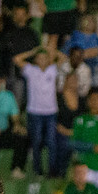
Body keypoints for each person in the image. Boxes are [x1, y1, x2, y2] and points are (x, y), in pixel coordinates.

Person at [13, 46, 64, 178]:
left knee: (51, 142)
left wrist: (51, 49)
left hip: (51, 112)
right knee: (37, 141)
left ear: (48, 60)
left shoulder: (52, 70)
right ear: (35, 59)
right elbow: (17, 59)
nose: (42, 60)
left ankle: (52, 171)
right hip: (34, 111)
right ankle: (38, 171)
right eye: (39, 58)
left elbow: (64, 58)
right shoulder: (30, 70)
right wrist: (32, 51)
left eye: (45, 58)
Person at [52, 73, 83, 179]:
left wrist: (76, 132)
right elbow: (55, 120)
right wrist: (67, 132)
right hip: (61, 132)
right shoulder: (58, 98)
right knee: (65, 145)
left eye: (75, 80)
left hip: (77, 133)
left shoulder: (82, 99)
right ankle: (60, 174)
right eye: (71, 80)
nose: (73, 82)